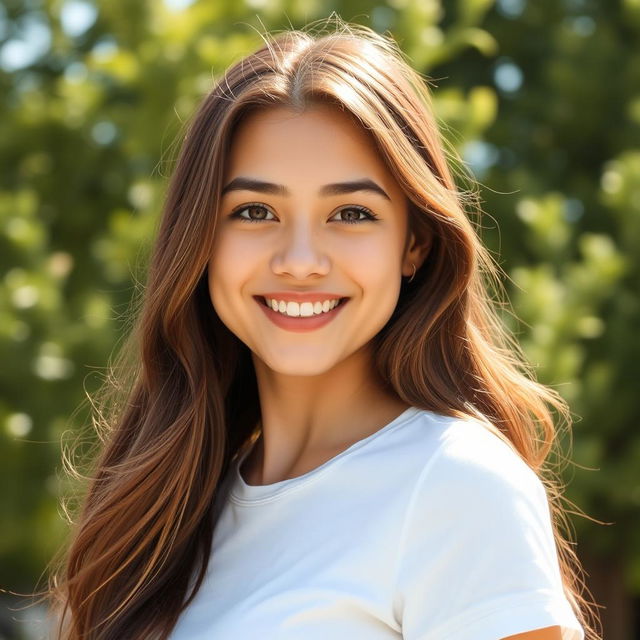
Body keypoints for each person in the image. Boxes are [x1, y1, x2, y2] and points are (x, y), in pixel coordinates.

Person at [48, 19, 600, 640]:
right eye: (255, 211)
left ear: (413, 244)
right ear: (201, 239)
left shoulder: (455, 487)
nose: (301, 260)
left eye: (351, 214)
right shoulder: (164, 513)